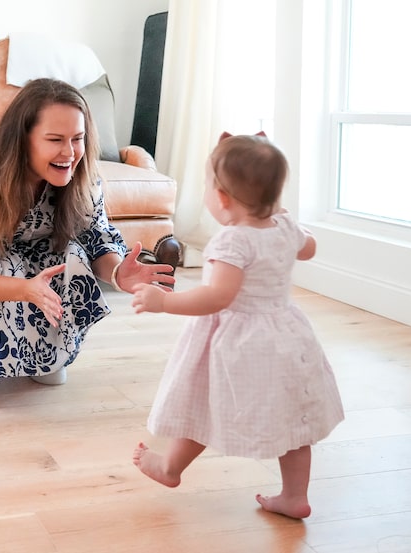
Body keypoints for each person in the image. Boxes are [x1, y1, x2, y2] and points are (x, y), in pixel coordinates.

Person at [0, 78, 175, 400]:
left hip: (34, 246)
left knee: (72, 256)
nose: (69, 152)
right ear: (22, 140)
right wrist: (26, 289)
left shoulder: (82, 177)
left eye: (78, 138)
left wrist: (117, 272)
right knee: (2, 276)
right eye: (55, 139)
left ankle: (44, 355)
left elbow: (96, 237)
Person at [131, 132, 344, 519]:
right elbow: (309, 247)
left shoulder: (232, 241)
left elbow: (217, 297)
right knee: (295, 417)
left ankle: (170, 468)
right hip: (288, 336)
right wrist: (284, 217)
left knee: (203, 404)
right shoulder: (283, 226)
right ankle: (295, 496)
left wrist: (165, 302)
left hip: (242, 342)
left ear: (223, 199)